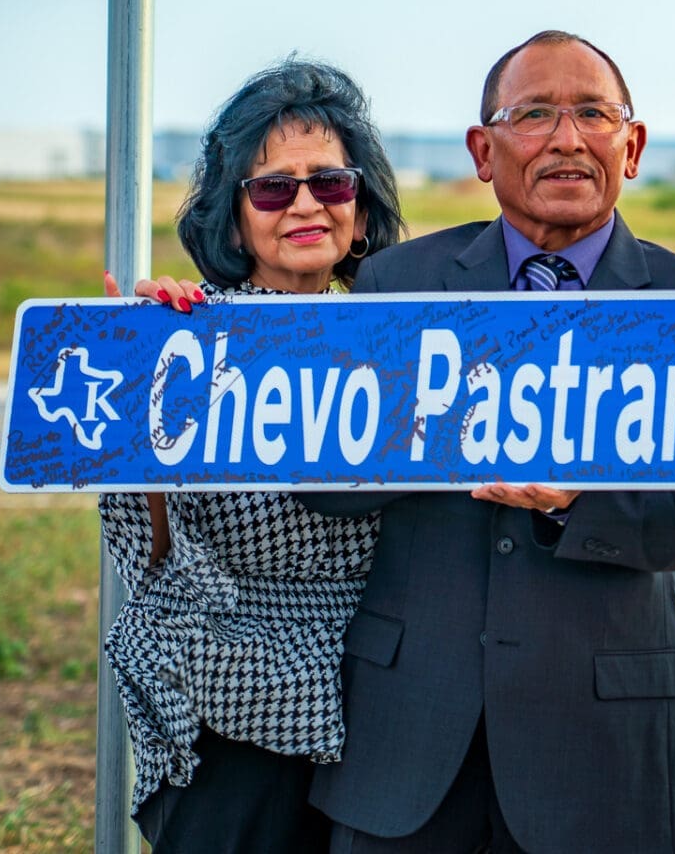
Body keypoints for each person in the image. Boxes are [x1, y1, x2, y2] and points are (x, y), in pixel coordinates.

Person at [301, 29, 675, 854]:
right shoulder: (397, 284)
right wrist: (436, 427)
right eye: (533, 113)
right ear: (483, 150)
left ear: (631, 146)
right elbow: (319, 474)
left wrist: (576, 496)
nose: (567, 139)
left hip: (607, 746)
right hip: (408, 745)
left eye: (593, 114)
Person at [98, 57, 406, 853]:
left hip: (386, 716)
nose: (305, 204)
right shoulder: (184, 338)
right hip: (230, 710)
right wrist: (147, 384)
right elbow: (153, 556)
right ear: (233, 221)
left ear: (361, 209)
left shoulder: (410, 345)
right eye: (273, 188)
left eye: (331, 183)